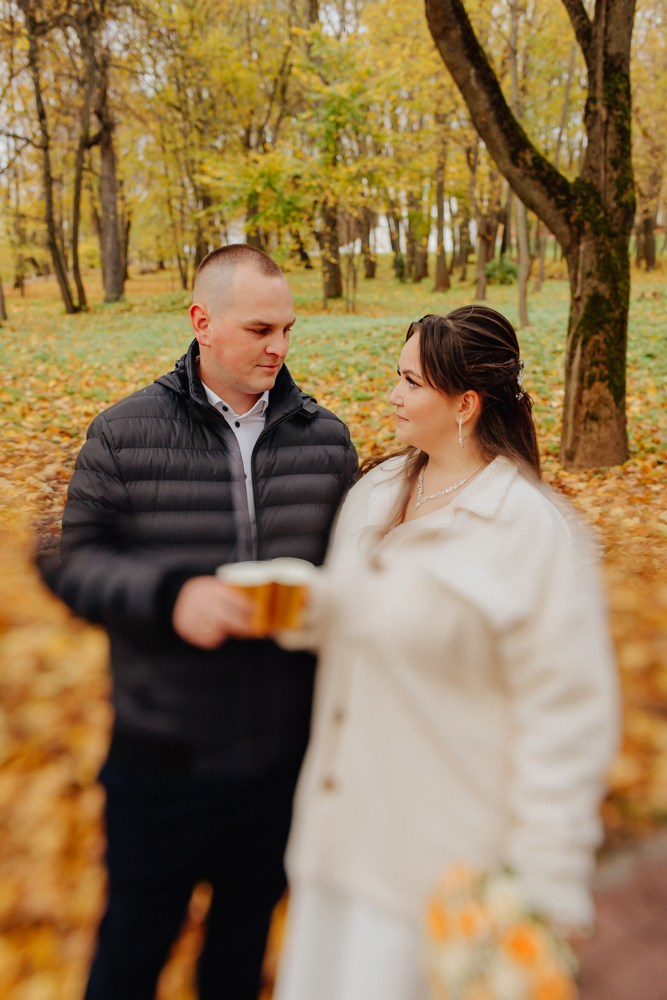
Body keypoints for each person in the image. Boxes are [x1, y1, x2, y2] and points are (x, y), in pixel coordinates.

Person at [273, 305, 620, 1000]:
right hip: (338, 843)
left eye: (410, 382)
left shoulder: (533, 532)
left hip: (439, 870)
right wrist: (303, 609)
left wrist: (542, 886)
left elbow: (567, 719)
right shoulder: (373, 494)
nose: (392, 395)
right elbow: (362, 617)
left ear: (463, 403)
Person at [41, 244, 358, 1000]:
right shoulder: (122, 432)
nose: (278, 348)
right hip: (161, 757)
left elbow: (351, 577)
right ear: (202, 321)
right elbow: (73, 562)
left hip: (279, 757)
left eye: (287, 329)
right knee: (132, 948)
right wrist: (167, 596)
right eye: (258, 330)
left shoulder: (327, 441)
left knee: (241, 950)